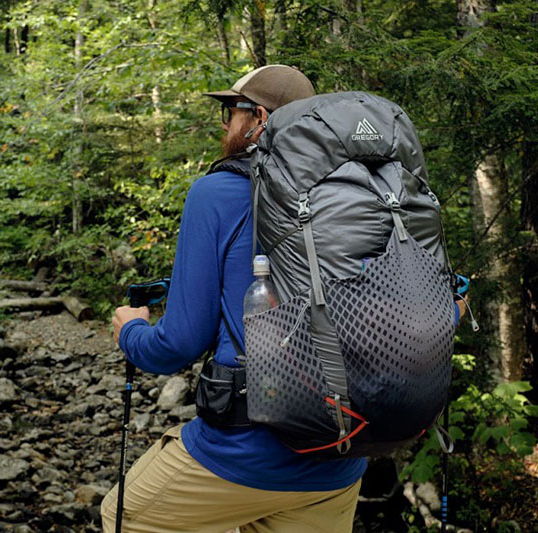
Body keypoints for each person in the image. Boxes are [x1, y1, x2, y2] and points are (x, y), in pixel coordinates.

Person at [102, 65, 367, 533]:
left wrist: (132, 332)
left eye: (231, 111)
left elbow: (178, 345)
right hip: (342, 453)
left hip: (246, 452)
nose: (224, 124)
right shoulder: (351, 195)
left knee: (122, 516)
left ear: (259, 118)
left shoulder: (218, 192)